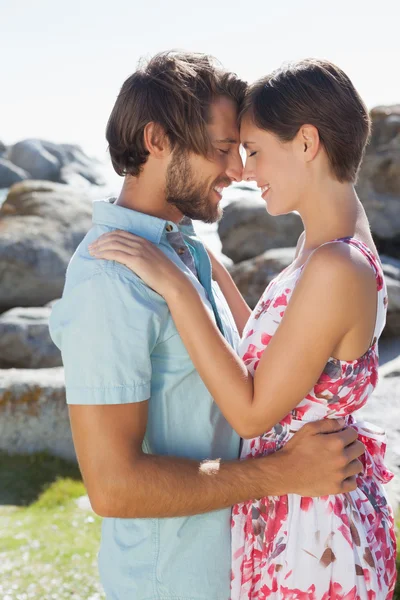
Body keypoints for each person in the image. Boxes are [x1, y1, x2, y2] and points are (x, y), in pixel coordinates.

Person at [50, 52, 365, 600]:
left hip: (250, 562)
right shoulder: (111, 281)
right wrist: (285, 474)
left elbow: (257, 369)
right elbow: (114, 487)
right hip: (174, 582)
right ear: (157, 140)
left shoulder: (186, 252)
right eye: (223, 149)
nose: (239, 170)